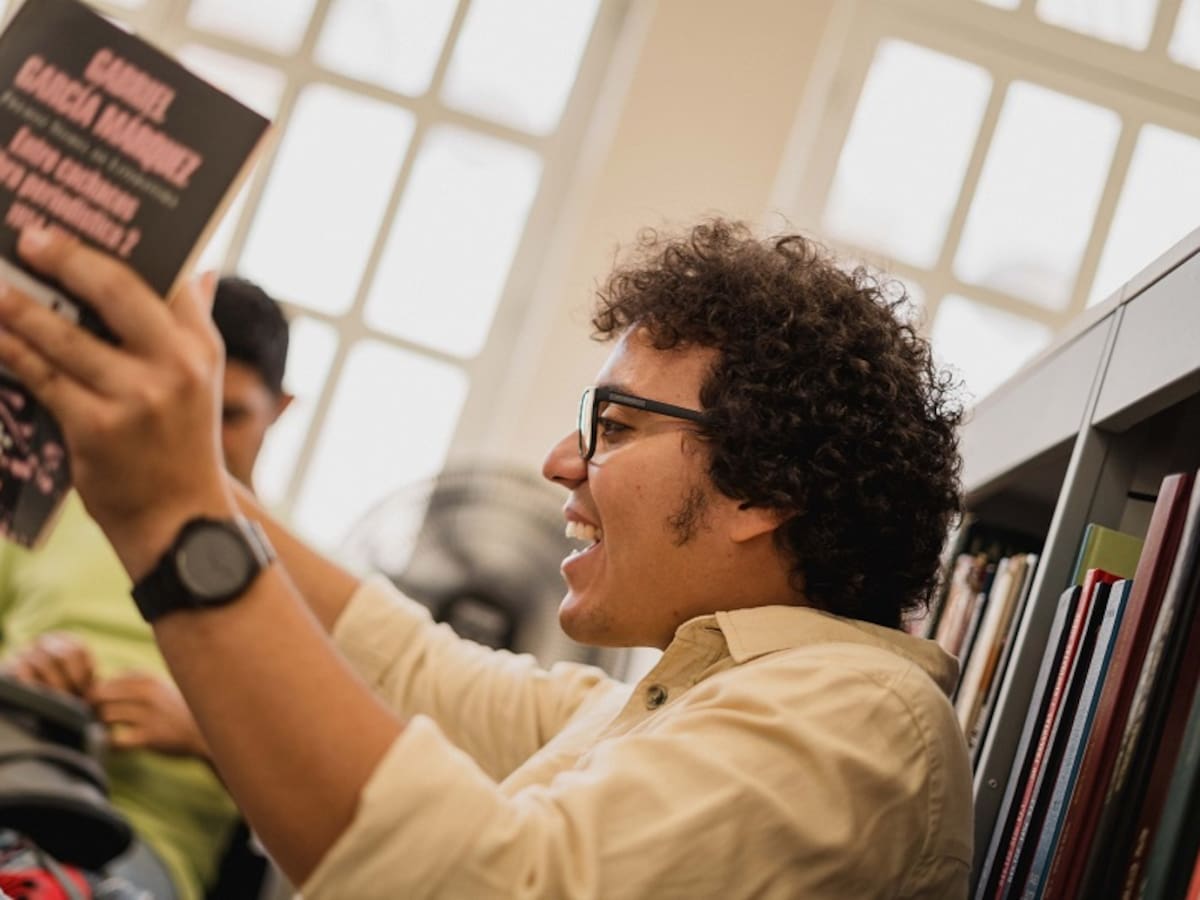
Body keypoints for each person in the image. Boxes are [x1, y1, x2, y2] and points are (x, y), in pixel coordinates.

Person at [0, 219, 974, 898]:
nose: (560, 463)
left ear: (766, 486)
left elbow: (485, 885)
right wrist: (192, 477)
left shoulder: (857, 719)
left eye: (618, 426)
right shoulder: (675, 701)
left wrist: (175, 517)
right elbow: (411, 669)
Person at [0, 275, 292, 900]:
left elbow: (337, 799)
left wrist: (207, 735)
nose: (195, 436)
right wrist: (18, 678)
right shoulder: (44, 512)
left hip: (141, 849)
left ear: (281, 410)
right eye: (183, 404)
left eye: (229, 415)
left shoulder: (308, 593)